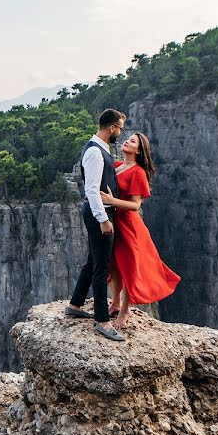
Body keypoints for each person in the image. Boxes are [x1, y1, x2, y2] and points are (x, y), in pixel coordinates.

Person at [100, 132, 180, 329]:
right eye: (128, 139)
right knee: (114, 265)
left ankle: (125, 310)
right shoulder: (118, 166)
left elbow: (136, 205)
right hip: (114, 222)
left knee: (128, 267)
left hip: (129, 225)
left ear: (139, 150)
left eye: (133, 141)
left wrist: (111, 201)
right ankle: (115, 303)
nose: (127, 141)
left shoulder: (138, 172)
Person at [65, 109, 126, 342]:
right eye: (119, 128)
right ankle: (103, 321)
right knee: (102, 266)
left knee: (93, 261)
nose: (120, 133)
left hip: (100, 211)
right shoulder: (95, 152)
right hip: (98, 214)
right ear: (111, 127)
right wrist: (104, 220)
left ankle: (75, 304)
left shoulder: (100, 149)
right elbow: (91, 189)